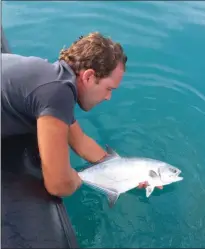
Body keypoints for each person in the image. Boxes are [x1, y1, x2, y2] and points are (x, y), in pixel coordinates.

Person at [2, 32, 162, 197]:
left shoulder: (56, 79)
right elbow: (58, 185)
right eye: (109, 89)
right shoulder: (57, 93)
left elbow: (80, 142)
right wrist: (77, 179)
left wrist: (127, 172)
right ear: (89, 76)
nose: (108, 97)